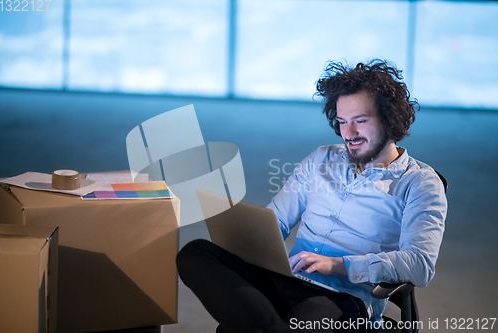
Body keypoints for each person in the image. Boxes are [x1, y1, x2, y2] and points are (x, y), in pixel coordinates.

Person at [176, 60, 447, 332]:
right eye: (342, 122)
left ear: (390, 120)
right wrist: (245, 241)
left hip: (345, 300)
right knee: (194, 253)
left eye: (360, 121)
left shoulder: (420, 183)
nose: (348, 134)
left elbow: (419, 265)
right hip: (288, 279)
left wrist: (339, 265)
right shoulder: (321, 159)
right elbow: (276, 220)